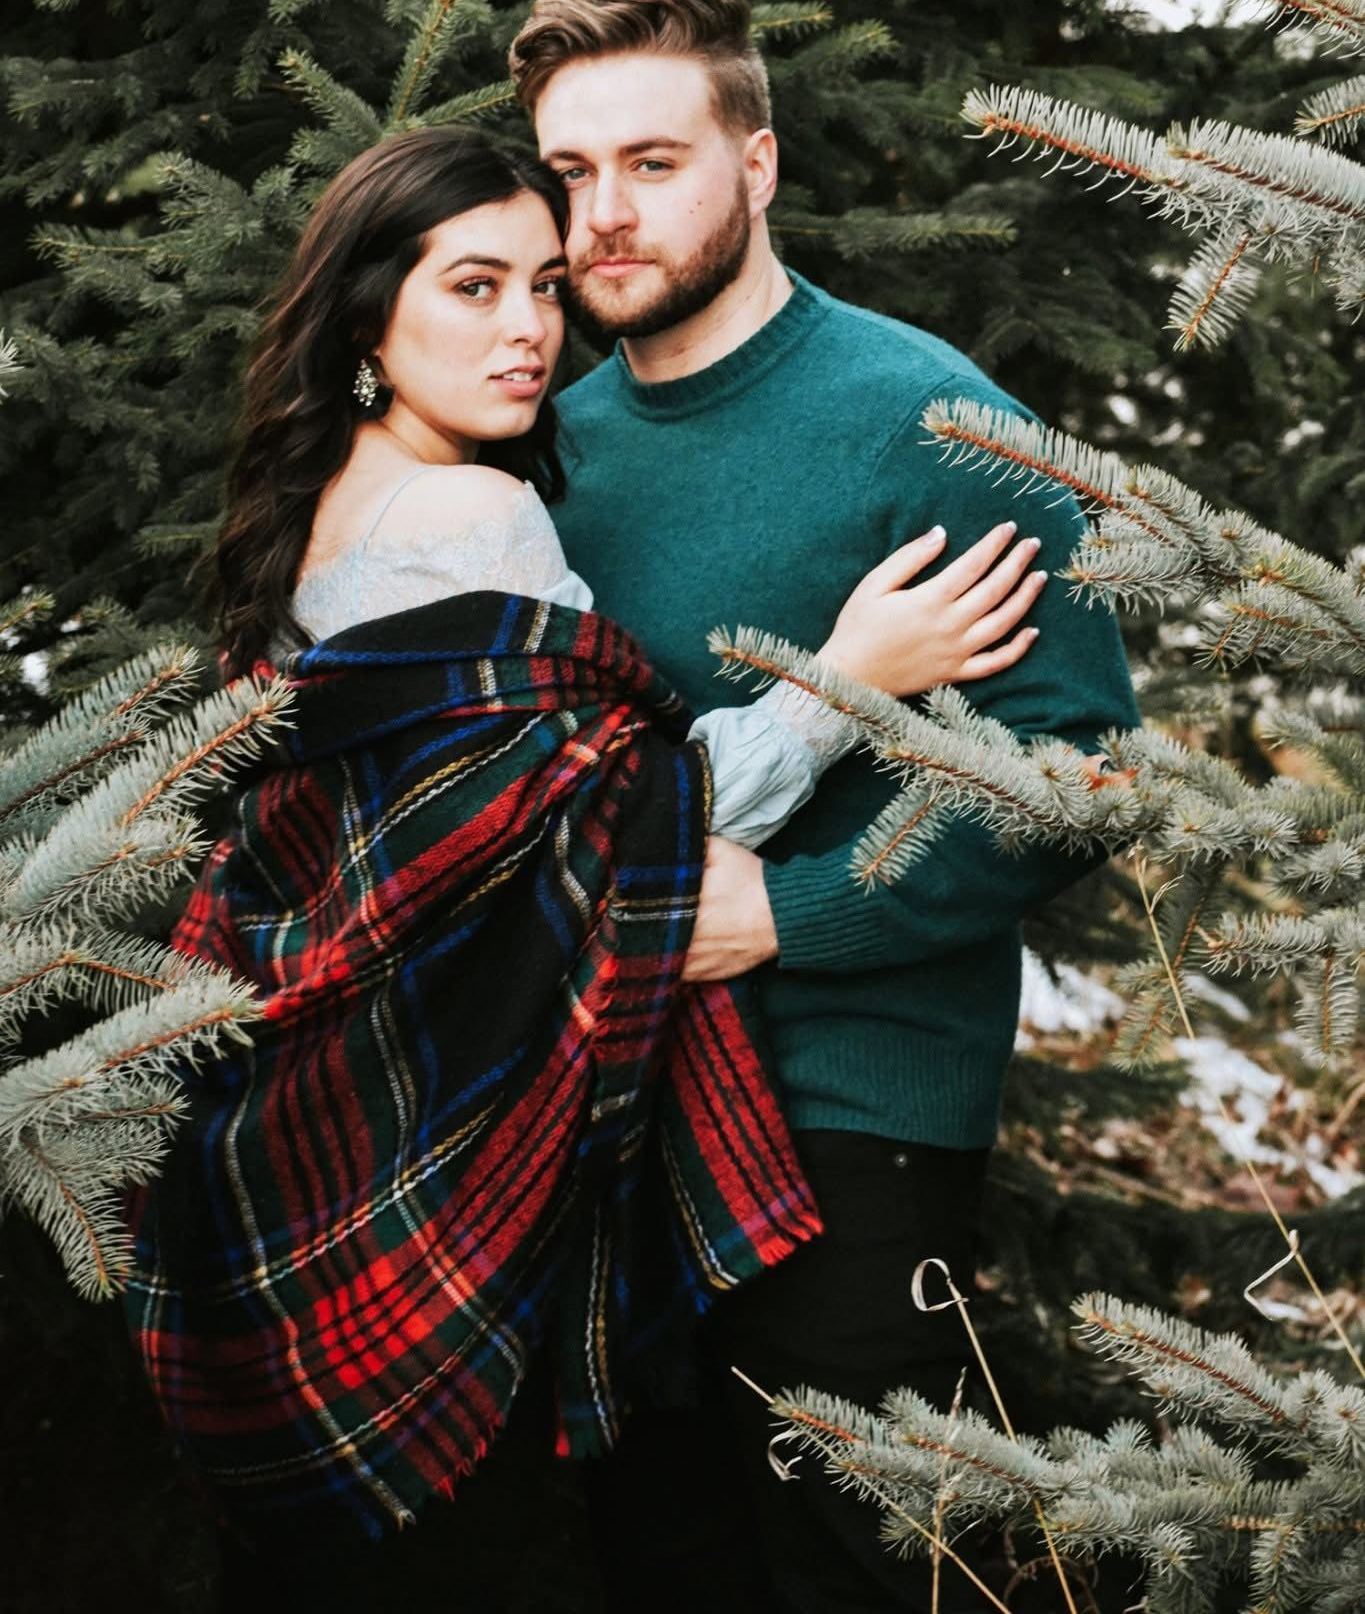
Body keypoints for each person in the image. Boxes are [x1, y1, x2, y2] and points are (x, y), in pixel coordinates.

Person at [121, 127, 1047, 1610]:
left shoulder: (312, 509)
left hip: (305, 1113)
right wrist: (846, 679)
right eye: (473, 286)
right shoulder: (473, 513)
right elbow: (624, 838)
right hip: (451, 1121)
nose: (528, 331)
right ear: (370, 311)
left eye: (545, 288)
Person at [508, 0, 1142, 1613]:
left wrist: (779, 918)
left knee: (862, 1574)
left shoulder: (925, 422)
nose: (605, 218)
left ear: (757, 161)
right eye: (571, 173)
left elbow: (1076, 774)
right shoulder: (549, 460)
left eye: (653, 163)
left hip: (851, 1129)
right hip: (608, 1121)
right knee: (656, 1569)